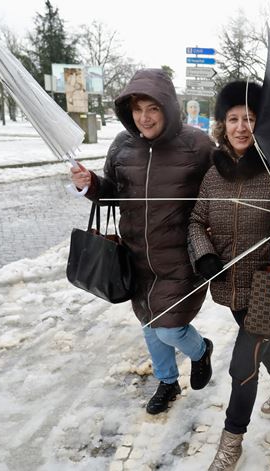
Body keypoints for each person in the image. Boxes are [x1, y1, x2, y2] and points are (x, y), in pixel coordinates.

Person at [70, 69, 215, 415]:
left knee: (171, 328)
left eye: (152, 109)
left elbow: (219, 193)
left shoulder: (197, 145)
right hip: (136, 255)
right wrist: (89, 183)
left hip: (181, 257)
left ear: (167, 107)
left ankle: (201, 350)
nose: (144, 118)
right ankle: (167, 382)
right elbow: (110, 194)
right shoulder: (122, 144)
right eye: (137, 110)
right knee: (150, 324)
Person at [188, 81, 270, 471]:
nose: (240, 127)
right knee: (261, 345)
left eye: (249, 118)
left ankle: (231, 440)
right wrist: (203, 255)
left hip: (268, 287)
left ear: (259, 123)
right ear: (222, 125)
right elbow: (197, 221)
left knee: (241, 364)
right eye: (233, 118)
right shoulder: (213, 175)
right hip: (229, 286)